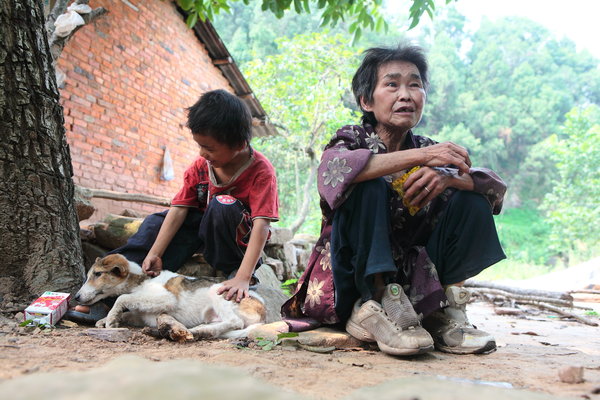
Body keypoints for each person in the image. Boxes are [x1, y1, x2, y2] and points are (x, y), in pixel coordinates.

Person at [281, 43, 506, 356]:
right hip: (351, 274)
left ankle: (443, 311)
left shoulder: (431, 150)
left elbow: (493, 187)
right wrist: (424, 156)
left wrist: (448, 177)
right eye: (392, 84)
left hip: (412, 282)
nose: (406, 94)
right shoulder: (351, 138)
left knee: (471, 199)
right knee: (366, 181)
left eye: (415, 84)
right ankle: (369, 306)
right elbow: (332, 171)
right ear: (366, 100)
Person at [67, 89, 279, 322]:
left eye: (209, 148)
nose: (202, 153)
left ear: (239, 143)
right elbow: (179, 210)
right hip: (200, 228)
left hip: (232, 240)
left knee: (222, 205)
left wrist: (243, 276)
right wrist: (155, 253)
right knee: (154, 222)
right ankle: (106, 299)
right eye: (199, 146)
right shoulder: (200, 166)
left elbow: (261, 226)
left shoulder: (261, 171)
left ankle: (233, 275)